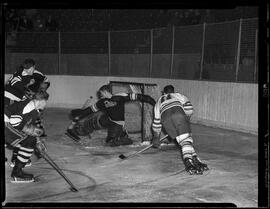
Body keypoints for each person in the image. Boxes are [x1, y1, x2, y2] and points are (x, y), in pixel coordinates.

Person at [66, 84, 156, 147]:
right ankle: (79, 131)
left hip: (118, 123)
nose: (100, 95)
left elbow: (141, 97)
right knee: (93, 120)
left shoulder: (121, 96)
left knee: (110, 143)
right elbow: (89, 110)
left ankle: (123, 136)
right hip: (108, 119)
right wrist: (79, 113)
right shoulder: (101, 102)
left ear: (105, 92)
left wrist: (155, 104)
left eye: (101, 93)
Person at [152, 85, 209, 175]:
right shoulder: (179, 95)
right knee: (186, 140)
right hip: (178, 116)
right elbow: (189, 109)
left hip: (166, 121)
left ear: (164, 93)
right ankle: (188, 162)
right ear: (174, 91)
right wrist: (186, 118)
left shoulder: (158, 102)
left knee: (183, 140)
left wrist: (156, 137)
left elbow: (156, 121)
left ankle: (195, 159)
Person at [5, 91, 49, 183]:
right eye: (46, 101)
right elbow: (14, 120)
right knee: (29, 141)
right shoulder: (29, 106)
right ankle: (17, 173)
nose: (46, 104)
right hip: (6, 122)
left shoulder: (33, 109)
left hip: (6, 121)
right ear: (41, 101)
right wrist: (31, 132)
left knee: (29, 140)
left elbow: (30, 130)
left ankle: (17, 168)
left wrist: (38, 142)